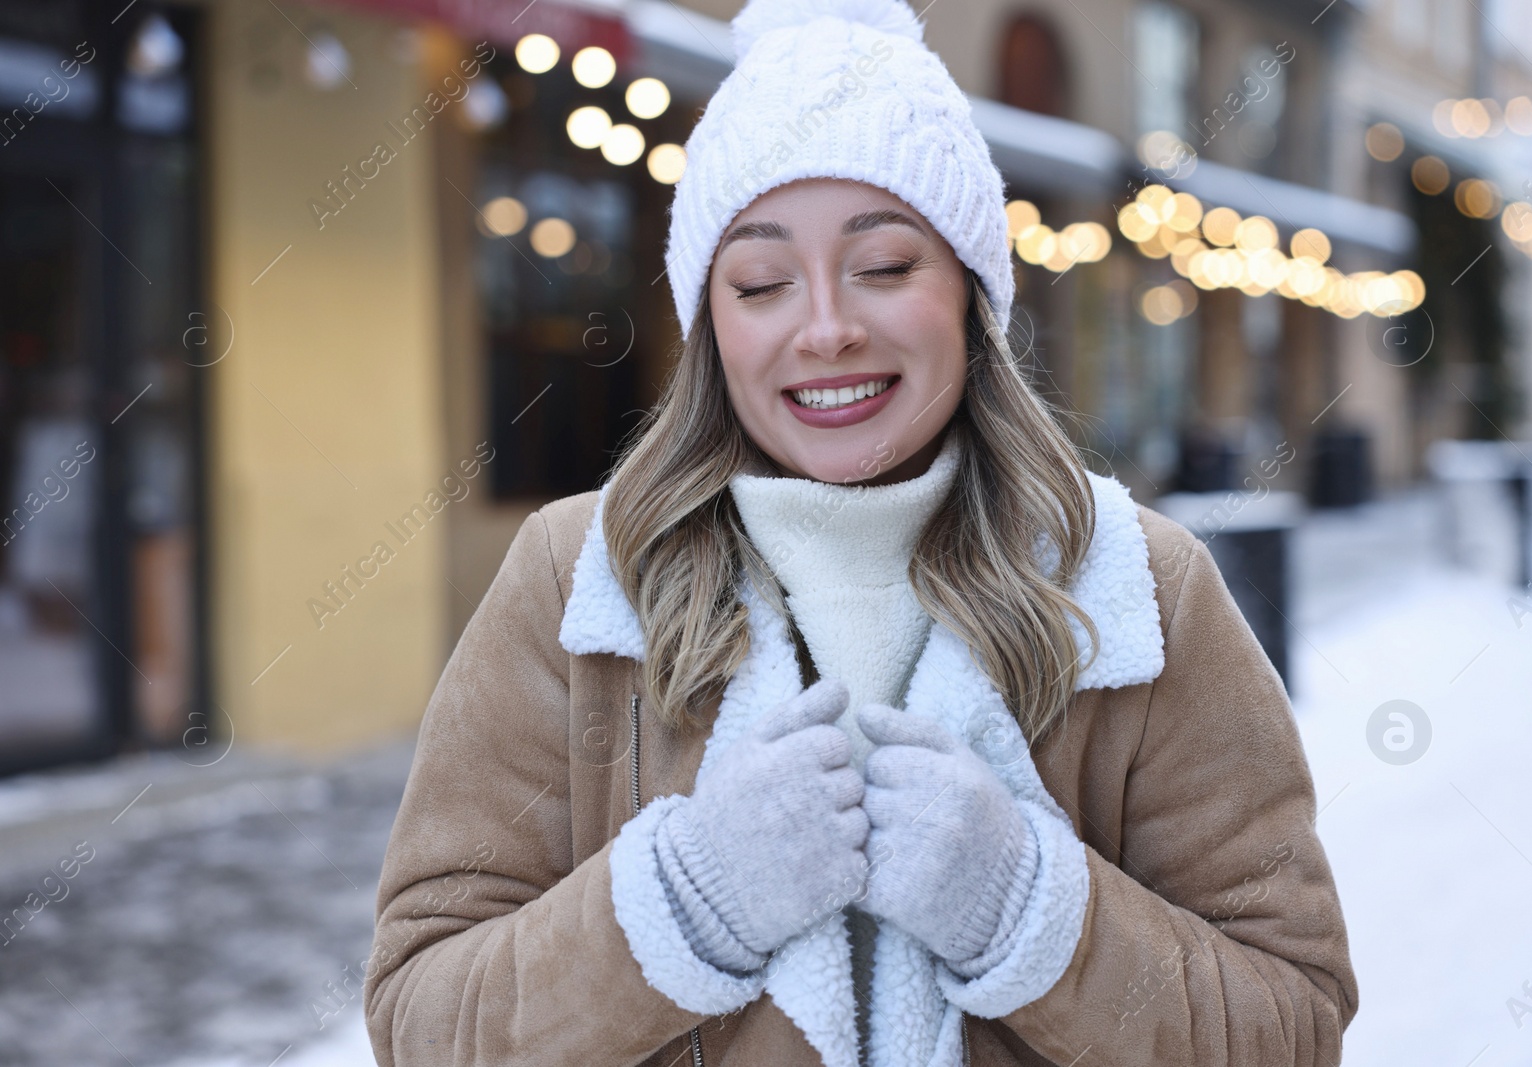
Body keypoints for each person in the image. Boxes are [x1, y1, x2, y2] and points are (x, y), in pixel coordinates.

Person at [362, 0, 1358, 1063]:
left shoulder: (1137, 590)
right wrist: (688, 901)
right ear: (712, 322)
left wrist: (1029, 911)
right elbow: (424, 1022)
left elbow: (1288, 1023)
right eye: (760, 281)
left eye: (884, 265)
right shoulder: (579, 580)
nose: (827, 325)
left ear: (969, 293)